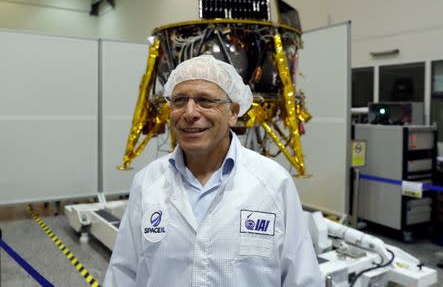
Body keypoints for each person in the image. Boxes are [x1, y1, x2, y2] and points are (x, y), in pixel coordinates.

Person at [104, 55, 323, 286]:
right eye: (179, 101)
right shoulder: (147, 182)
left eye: (205, 100)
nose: (189, 113)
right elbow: (123, 273)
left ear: (233, 112)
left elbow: (302, 279)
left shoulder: (273, 183)